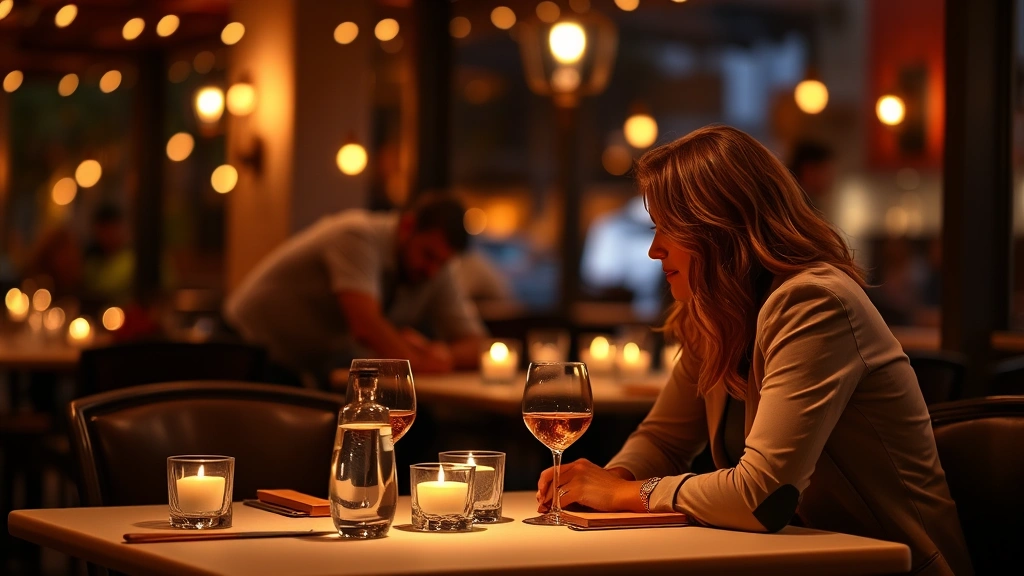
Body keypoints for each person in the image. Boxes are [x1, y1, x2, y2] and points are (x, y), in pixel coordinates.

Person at [536, 125, 972, 576]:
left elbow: (763, 497)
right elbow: (663, 439)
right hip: (800, 560)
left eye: (668, 228)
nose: (653, 250)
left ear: (720, 227)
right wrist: (609, 481)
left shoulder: (815, 303)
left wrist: (627, 494)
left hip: (894, 565)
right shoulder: (718, 313)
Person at [224, 193, 486, 378]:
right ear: (407, 226)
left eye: (442, 262)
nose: (433, 270)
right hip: (243, 351)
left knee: (420, 428)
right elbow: (366, 327)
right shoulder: (356, 236)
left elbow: (478, 345)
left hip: (308, 366)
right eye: (428, 255)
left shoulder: (436, 269)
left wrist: (445, 356)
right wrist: (419, 362)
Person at [82, 203, 135, 306]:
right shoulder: (91, 260)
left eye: (112, 229)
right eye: (103, 231)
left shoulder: (132, 260)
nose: (108, 236)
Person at [788, 139, 836, 206]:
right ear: (809, 171)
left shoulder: (808, 201)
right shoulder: (791, 202)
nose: (830, 179)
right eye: (826, 173)